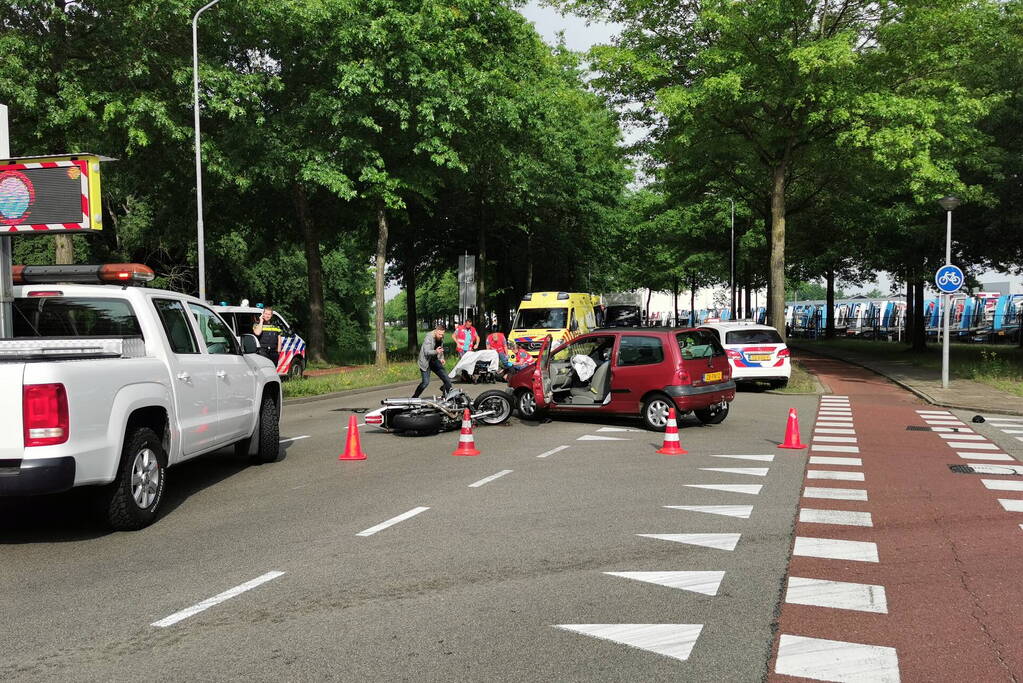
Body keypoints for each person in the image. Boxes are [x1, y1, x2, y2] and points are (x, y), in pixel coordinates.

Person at [413, 323, 454, 398]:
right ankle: (414, 397)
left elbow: (440, 349)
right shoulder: (428, 337)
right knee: (425, 383)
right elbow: (426, 352)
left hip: (435, 361)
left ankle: (447, 396)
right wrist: (436, 351)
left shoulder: (441, 337)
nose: (441, 336)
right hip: (426, 362)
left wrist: (441, 358)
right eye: (439, 334)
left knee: (447, 379)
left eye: (442, 334)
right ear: (435, 331)